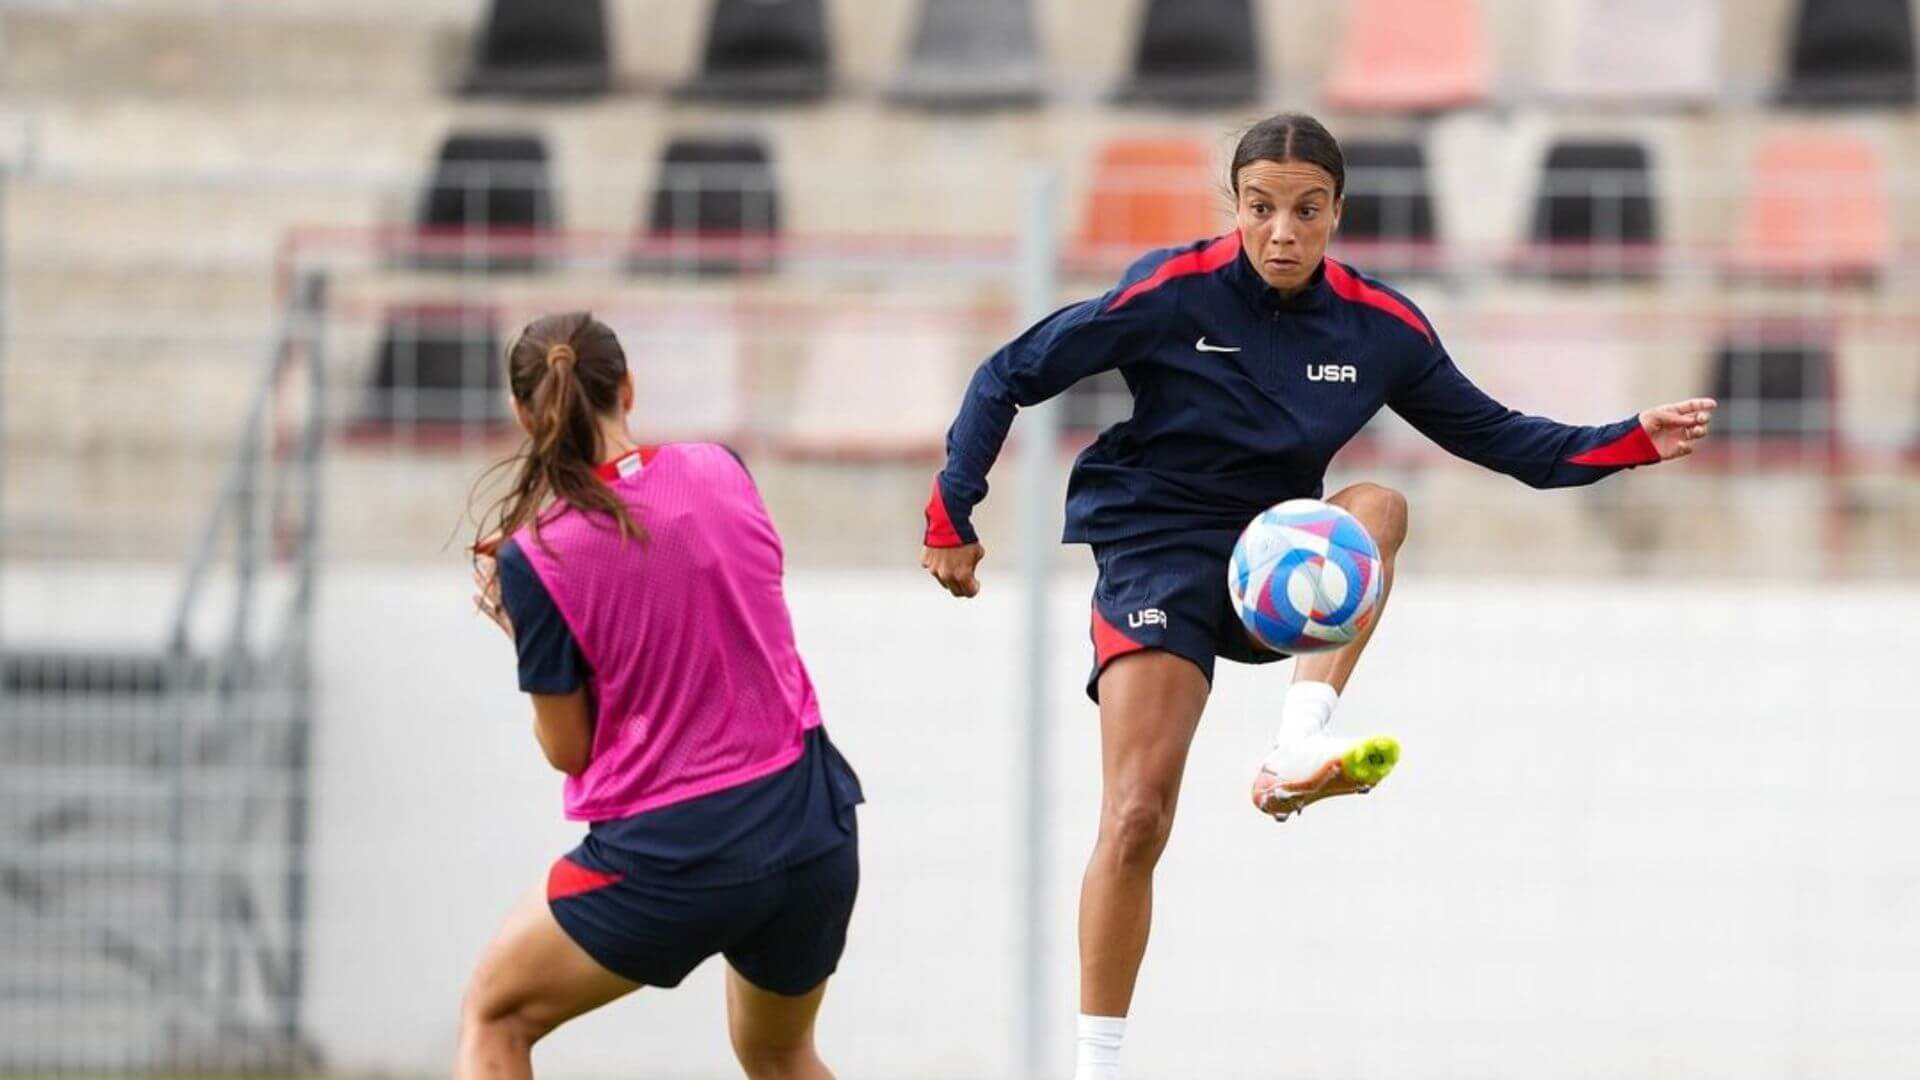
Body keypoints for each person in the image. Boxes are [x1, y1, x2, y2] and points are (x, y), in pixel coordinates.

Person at [919, 113, 1715, 1080]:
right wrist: (950, 514)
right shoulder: (1170, 293)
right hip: (1156, 551)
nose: (1282, 232)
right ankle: (1098, 1067)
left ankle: (1300, 739)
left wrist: (1634, 436)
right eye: (1261, 209)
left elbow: (1508, 442)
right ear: (1237, 207)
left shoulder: (1383, 328)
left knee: (1380, 503)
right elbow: (1008, 373)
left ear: (1338, 212)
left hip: (1272, 564)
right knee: (1136, 815)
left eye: (1305, 210)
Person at [458, 312, 862, 1080]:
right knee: (780, 1052)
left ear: (522, 415)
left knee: (495, 1013)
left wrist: (523, 625)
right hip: (810, 822)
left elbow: (568, 748)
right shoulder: (722, 466)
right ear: (629, 389)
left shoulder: (535, 558)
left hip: (677, 853)